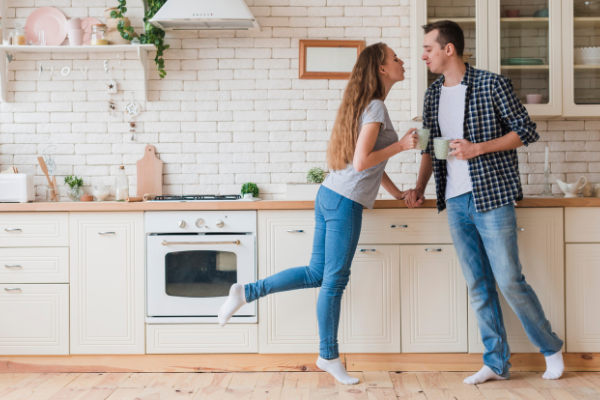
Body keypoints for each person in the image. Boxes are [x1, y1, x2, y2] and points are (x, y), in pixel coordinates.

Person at [218, 42, 418, 385]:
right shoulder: (375, 107)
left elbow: (371, 161)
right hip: (344, 202)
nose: (402, 62)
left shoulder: (368, 105)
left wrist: (398, 192)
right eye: (395, 58)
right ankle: (328, 356)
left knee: (316, 274)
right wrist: (401, 146)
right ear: (382, 69)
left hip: (330, 194)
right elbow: (361, 162)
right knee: (333, 281)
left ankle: (245, 292)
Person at [404, 20, 564, 384]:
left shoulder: (492, 84)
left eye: (429, 48)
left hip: (491, 195)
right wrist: (419, 187)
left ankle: (550, 348)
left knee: (509, 280)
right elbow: (430, 148)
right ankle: (496, 362)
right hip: (455, 200)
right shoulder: (432, 95)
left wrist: (478, 148)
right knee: (477, 284)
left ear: (449, 49)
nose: (424, 55)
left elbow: (526, 131)